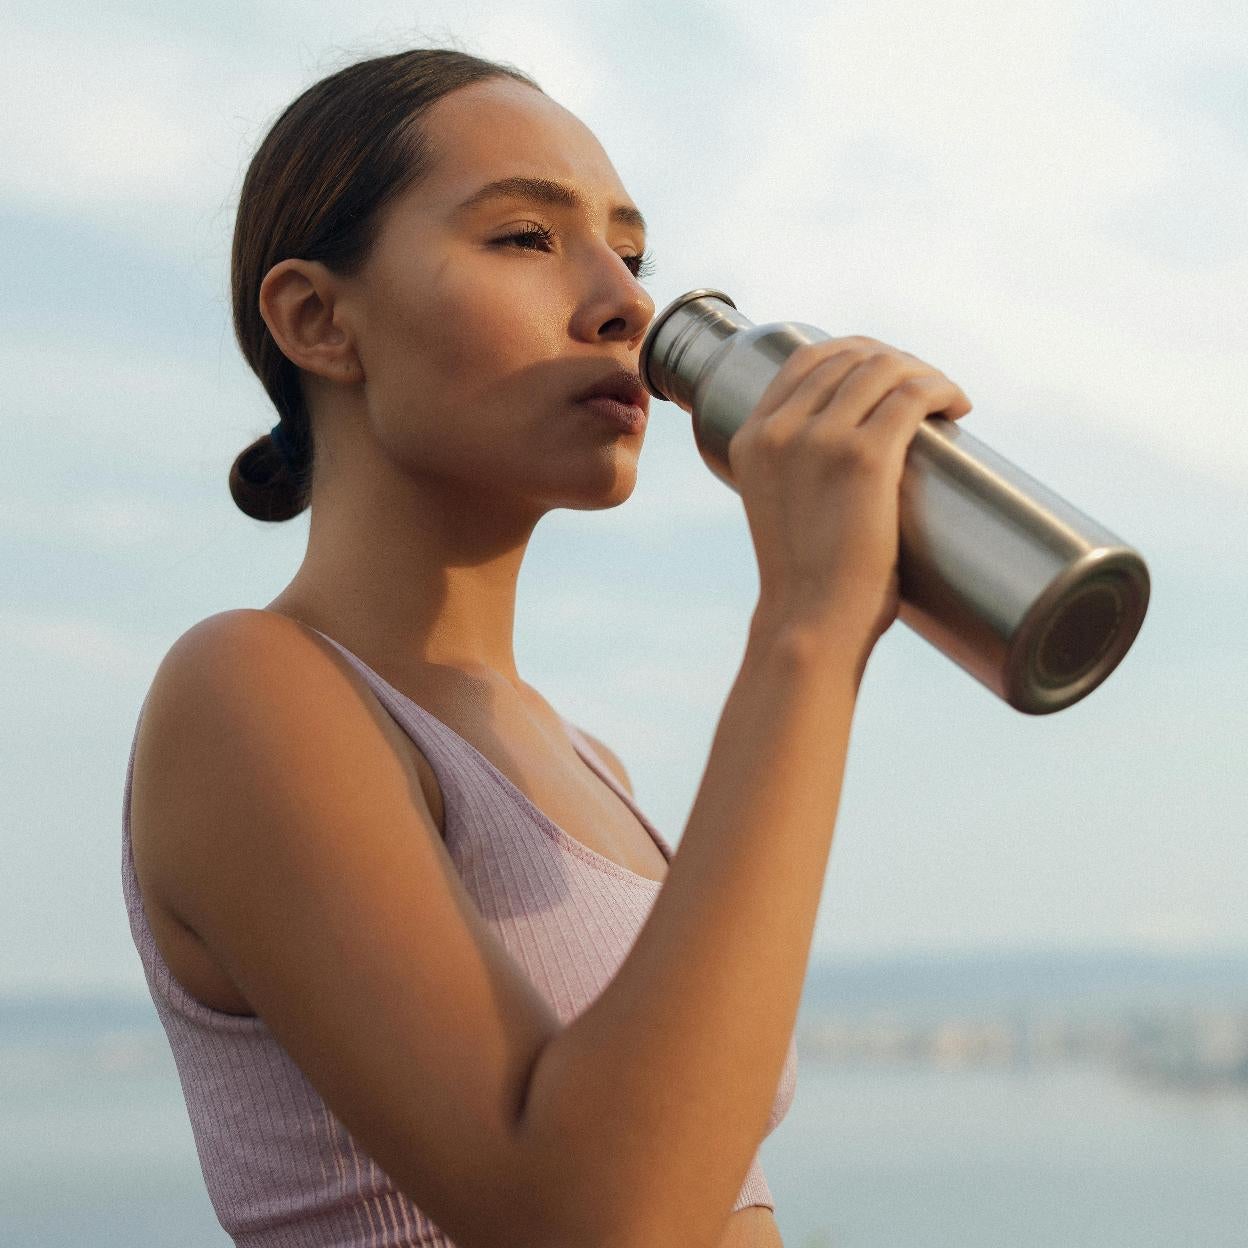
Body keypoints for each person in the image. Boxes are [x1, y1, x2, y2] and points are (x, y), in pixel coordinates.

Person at [120, 45, 973, 1248]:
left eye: (632, 252)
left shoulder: (590, 765)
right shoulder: (249, 693)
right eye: (527, 237)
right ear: (318, 319)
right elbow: (593, 1218)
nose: (626, 301)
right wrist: (808, 628)